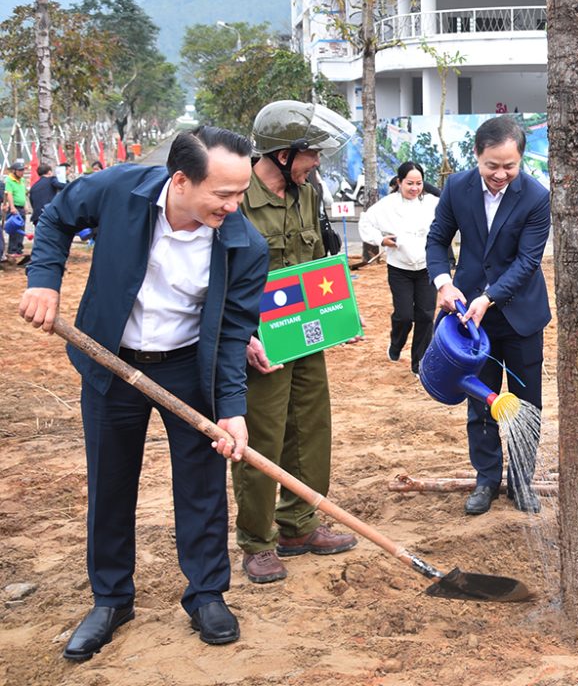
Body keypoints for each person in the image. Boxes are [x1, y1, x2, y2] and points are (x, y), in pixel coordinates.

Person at [19, 127, 268, 659]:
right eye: (223, 194)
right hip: (112, 362)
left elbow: (230, 336)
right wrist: (44, 279)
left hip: (187, 368)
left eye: (241, 192)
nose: (235, 205)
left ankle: (205, 594)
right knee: (110, 481)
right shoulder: (120, 189)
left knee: (202, 486)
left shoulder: (245, 243)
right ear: (180, 180)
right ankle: (111, 598)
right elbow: (60, 216)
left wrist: (231, 410)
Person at [233, 101, 359, 585]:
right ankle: (257, 541)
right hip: (256, 340)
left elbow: (318, 263)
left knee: (310, 426)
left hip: (304, 334)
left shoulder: (309, 192)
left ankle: (299, 525)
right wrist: (240, 334)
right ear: (282, 153)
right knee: (262, 434)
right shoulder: (238, 195)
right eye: (310, 154)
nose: (316, 164)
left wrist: (335, 317)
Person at [425, 115, 551, 516]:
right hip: (468, 319)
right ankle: (485, 479)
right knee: (480, 400)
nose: (500, 175)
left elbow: (528, 259)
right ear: (477, 156)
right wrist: (444, 282)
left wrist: (489, 297)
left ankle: (521, 480)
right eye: (492, 166)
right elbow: (436, 240)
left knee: (525, 400)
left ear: (521, 160)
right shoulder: (456, 188)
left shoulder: (535, 196)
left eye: (509, 167)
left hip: (520, 315)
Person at [358, 160, 439, 373]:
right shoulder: (387, 205)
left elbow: (451, 218)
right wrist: (381, 240)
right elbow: (365, 223)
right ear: (399, 182)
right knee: (404, 315)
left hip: (426, 268)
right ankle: (396, 343)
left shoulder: (432, 202)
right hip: (399, 268)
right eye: (409, 183)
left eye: (419, 183)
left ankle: (419, 363)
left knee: (425, 315)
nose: (414, 188)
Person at [3, 158, 28, 261]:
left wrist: (26, 205)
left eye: (23, 170)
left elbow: (24, 193)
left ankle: (19, 249)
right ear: (14, 171)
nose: (22, 172)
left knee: (22, 229)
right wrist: (12, 206)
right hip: (14, 208)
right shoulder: (9, 180)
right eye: (20, 170)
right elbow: (9, 194)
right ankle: (12, 250)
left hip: (21, 207)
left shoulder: (22, 180)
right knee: (14, 229)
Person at [29, 161, 66, 227]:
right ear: (49, 172)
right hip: (48, 215)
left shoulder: (34, 186)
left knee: (40, 236)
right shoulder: (51, 179)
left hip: (37, 216)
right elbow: (61, 186)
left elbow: (31, 201)